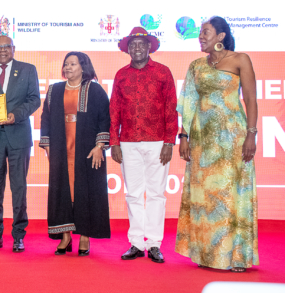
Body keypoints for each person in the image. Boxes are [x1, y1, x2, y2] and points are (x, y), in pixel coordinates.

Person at [176, 16, 258, 272]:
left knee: (229, 194)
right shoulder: (196, 66)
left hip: (232, 137)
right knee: (205, 196)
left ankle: (235, 256)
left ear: (221, 36)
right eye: (200, 33)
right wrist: (184, 136)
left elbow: (251, 101)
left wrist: (251, 134)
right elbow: (188, 103)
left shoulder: (240, 60)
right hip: (202, 140)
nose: (200, 36)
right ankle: (207, 254)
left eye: (206, 32)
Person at [110, 27, 177, 264]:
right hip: (128, 142)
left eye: (141, 44)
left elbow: (171, 108)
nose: (137, 48)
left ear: (149, 47)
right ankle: (137, 243)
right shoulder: (121, 75)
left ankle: (154, 243)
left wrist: (169, 141)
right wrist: (114, 142)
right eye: (133, 44)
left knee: (156, 194)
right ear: (128, 48)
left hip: (158, 141)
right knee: (134, 194)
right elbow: (114, 110)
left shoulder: (163, 72)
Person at [40, 52, 111, 255]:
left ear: (83, 67)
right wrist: (48, 146)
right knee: (62, 190)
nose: (68, 67)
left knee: (87, 190)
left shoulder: (95, 90)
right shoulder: (54, 90)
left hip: (88, 150)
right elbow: (45, 118)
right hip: (61, 148)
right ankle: (65, 236)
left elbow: (105, 119)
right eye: (66, 64)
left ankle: (85, 236)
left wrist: (100, 146)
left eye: (73, 64)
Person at [0, 35, 40, 252]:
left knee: (18, 187)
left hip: (18, 135)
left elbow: (34, 99)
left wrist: (15, 115)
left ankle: (19, 236)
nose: (2, 50)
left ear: (14, 48)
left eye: (6, 46)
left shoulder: (28, 69)